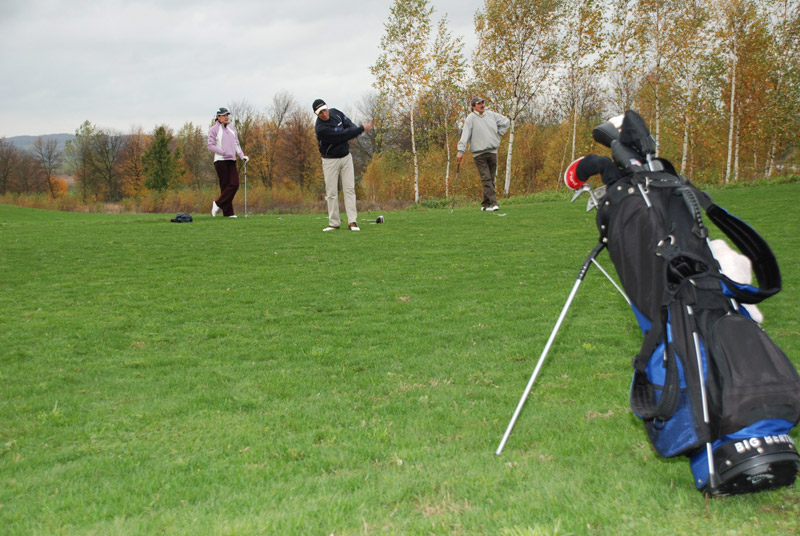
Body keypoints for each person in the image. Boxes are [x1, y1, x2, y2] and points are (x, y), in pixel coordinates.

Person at [312, 98, 373, 231]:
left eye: (325, 110)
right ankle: (334, 223)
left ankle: (352, 222)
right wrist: (361, 129)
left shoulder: (335, 113)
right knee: (332, 193)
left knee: (349, 189)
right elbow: (341, 135)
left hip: (346, 157)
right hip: (330, 161)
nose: (324, 114)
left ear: (327, 107)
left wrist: (355, 130)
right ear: (316, 114)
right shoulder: (321, 129)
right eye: (320, 112)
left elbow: (349, 125)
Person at [456, 97, 510, 211]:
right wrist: (461, 151)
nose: (482, 105)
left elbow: (506, 122)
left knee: (490, 179)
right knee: (486, 178)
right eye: (479, 103)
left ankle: (485, 204)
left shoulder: (491, 115)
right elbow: (465, 135)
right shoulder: (470, 118)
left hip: (492, 151)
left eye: (483, 103)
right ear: (473, 107)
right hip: (479, 154)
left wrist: (498, 133)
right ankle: (494, 203)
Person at [207, 107, 248, 218]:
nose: (226, 117)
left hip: (231, 160)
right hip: (220, 160)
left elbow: (236, 144)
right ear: (218, 117)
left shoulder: (232, 129)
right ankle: (228, 213)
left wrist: (242, 156)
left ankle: (217, 203)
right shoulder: (214, 129)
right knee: (225, 186)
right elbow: (210, 146)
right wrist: (223, 152)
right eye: (224, 115)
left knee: (235, 184)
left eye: (227, 115)